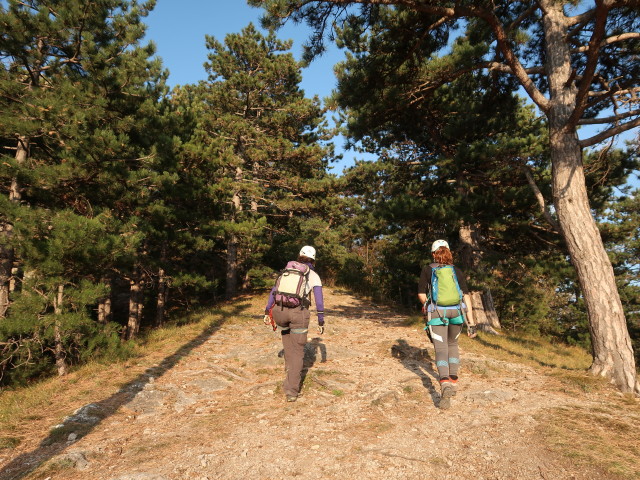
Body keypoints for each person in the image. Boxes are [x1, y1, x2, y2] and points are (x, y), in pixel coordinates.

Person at [418, 239, 476, 410]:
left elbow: (421, 293)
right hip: (457, 313)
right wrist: (471, 322)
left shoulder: (428, 269)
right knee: (453, 344)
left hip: (437, 312)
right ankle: (453, 380)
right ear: (449, 252)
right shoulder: (456, 271)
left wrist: (427, 306)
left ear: (433, 253)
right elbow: (466, 296)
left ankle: (444, 385)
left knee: (441, 348)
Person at [263, 246, 325, 402]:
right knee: (298, 351)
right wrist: (321, 320)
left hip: (279, 311)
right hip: (298, 314)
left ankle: (289, 373)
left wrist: (267, 311)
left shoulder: (287, 270)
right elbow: (319, 300)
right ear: (314, 259)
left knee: (288, 343)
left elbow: (274, 291)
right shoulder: (313, 275)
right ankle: (291, 391)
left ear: (299, 256)